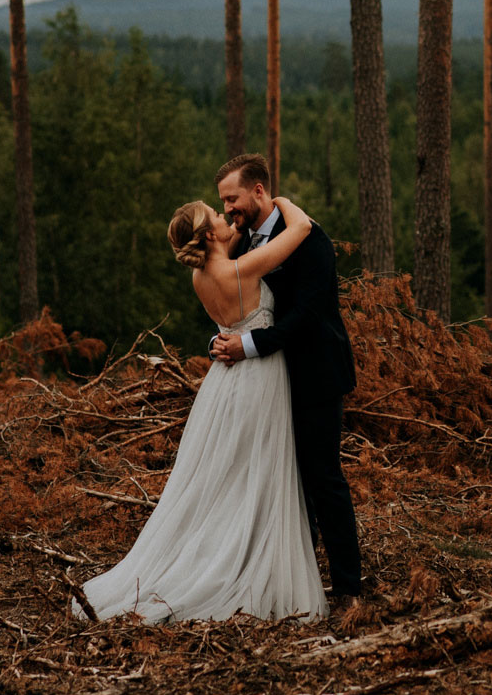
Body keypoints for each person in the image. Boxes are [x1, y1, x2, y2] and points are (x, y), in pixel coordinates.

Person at [72, 192, 326, 623]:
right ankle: (241, 559)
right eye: (216, 213)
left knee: (225, 473)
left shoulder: (201, 277)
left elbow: (229, 316)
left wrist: (237, 227)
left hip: (224, 381)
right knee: (257, 469)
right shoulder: (240, 268)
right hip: (259, 376)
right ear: (209, 233)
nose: (225, 214)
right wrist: (278, 199)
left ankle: (220, 547)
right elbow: (302, 229)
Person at [209, 152, 368, 604]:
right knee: (282, 481)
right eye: (222, 202)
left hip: (315, 375)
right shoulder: (241, 243)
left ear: (259, 190)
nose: (227, 210)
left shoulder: (308, 237)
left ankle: (348, 591)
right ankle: (294, 584)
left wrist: (249, 347)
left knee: (322, 479)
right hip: (268, 382)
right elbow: (234, 302)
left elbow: (307, 315)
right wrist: (225, 341)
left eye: (233, 199)